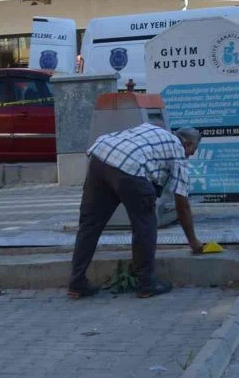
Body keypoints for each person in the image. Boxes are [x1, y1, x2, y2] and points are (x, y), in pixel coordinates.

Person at [68, 124, 204, 300]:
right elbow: (181, 202)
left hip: (101, 156)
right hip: (129, 167)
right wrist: (193, 241)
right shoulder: (178, 150)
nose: (188, 157)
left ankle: (76, 282)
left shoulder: (154, 130)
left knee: (89, 225)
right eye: (191, 152)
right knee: (145, 225)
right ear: (188, 144)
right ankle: (147, 284)